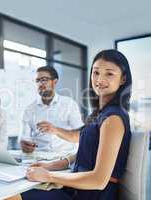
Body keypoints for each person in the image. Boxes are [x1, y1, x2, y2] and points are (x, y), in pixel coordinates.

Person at [21, 49, 132, 200]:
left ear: (123, 79)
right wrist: (53, 165)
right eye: (96, 72)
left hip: (93, 195)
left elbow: (99, 180)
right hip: (77, 189)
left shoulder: (113, 118)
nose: (99, 80)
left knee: (17, 195)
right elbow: (88, 150)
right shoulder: (100, 114)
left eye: (109, 73)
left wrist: (49, 176)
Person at [19, 66, 83, 153]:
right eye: (37, 81)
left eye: (44, 80)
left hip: (65, 157)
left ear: (54, 82)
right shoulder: (29, 110)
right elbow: (24, 138)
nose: (40, 84)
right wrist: (25, 146)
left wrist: (55, 130)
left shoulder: (69, 104)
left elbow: (79, 136)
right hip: (39, 158)